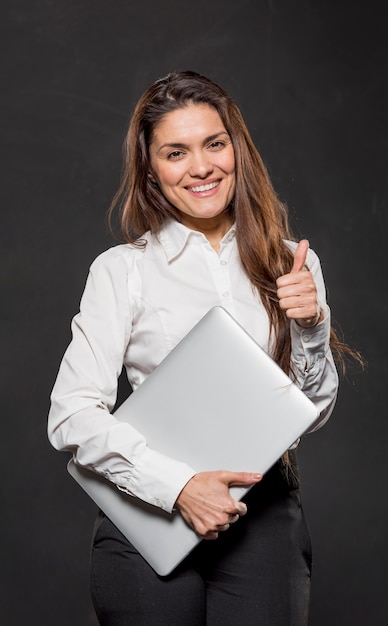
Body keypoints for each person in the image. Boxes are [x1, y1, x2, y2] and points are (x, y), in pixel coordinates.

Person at [48, 70, 348, 625]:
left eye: (214, 144)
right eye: (175, 152)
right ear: (150, 169)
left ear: (237, 148)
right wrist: (180, 486)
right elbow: (71, 416)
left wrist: (310, 326)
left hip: (263, 517)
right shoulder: (123, 271)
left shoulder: (292, 262)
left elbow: (306, 417)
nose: (201, 167)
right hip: (148, 520)